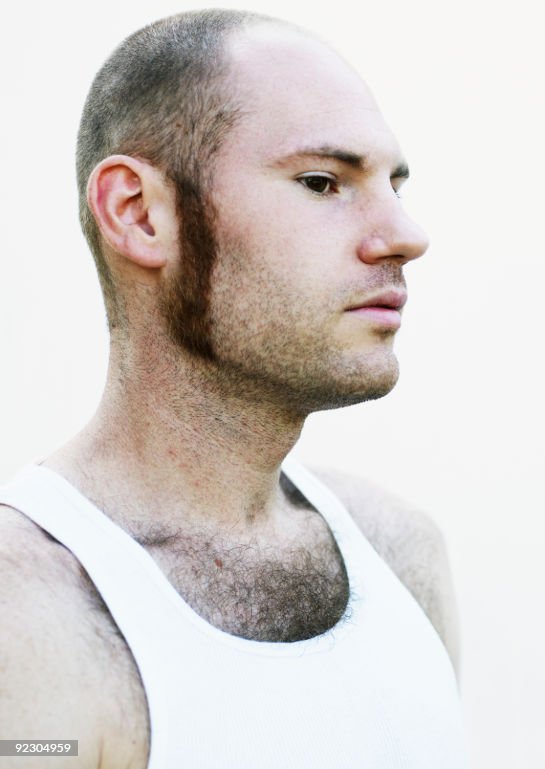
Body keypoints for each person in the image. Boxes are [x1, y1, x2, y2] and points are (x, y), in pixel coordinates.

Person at [0, 9, 467, 768]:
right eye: (324, 182)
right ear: (138, 214)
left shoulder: (403, 556)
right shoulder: (25, 613)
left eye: (395, 184)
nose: (406, 233)